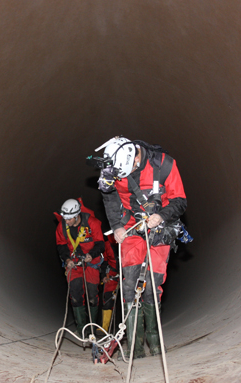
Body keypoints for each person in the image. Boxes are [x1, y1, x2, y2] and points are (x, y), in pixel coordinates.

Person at [88, 137, 187, 359]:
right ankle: (134, 348)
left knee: (152, 285)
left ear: (135, 159)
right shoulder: (112, 170)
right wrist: (116, 227)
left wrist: (161, 215)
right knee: (130, 285)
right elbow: (110, 199)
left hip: (159, 227)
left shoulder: (165, 165)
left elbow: (180, 201)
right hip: (132, 226)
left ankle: (154, 342)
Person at [55, 198, 105, 337]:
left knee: (92, 296)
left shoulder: (92, 223)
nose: (67, 221)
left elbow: (101, 243)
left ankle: (92, 326)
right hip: (74, 264)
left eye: (69, 219)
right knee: (75, 295)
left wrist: (91, 254)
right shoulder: (62, 227)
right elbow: (61, 245)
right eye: (65, 218)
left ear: (77, 215)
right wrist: (67, 259)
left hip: (91, 262)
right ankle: (82, 328)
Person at [101, 235, 119, 333]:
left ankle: (133, 327)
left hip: (129, 272)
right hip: (112, 275)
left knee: (131, 299)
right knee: (108, 299)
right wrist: (103, 275)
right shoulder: (106, 244)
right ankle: (104, 328)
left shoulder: (130, 236)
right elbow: (104, 261)